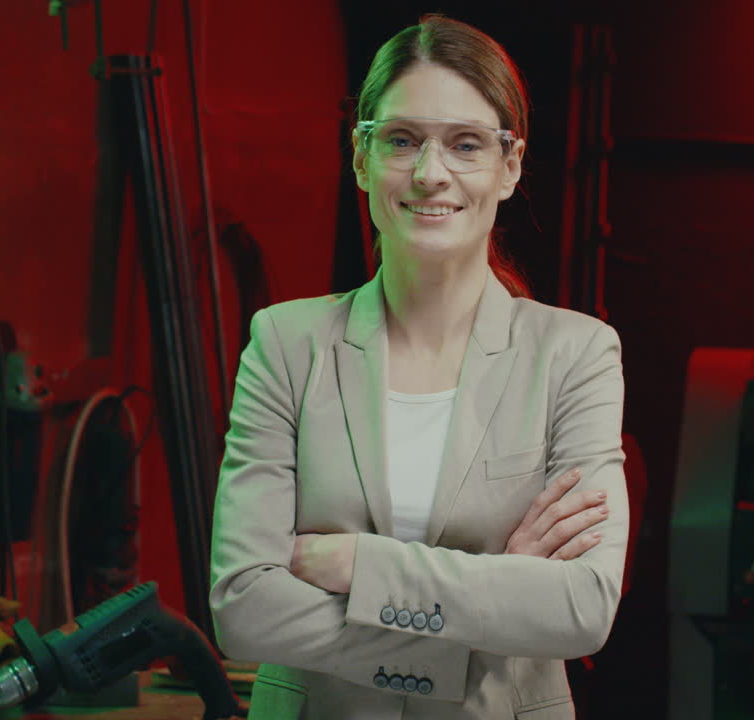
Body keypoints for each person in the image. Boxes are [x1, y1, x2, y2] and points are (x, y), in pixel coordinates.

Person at [209, 15, 627, 720]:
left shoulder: (575, 356)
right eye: (403, 140)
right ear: (362, 156)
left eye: (466, 144)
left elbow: (581, 607)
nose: (431, 174)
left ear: (510, 165)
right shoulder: (287, 343)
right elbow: (244, 608)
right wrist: (491, 601)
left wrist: (359, 567)